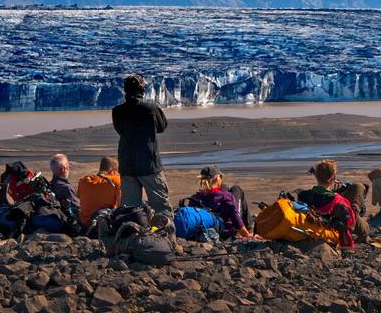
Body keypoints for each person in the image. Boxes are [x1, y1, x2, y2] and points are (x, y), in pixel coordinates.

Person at [112, 74, 172, 217]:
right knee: (160, 206)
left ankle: (133, 234)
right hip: (149, 164)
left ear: (125, 91)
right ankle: (164, 234)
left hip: (127, 164)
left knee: (131, 209)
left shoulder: (117, 111)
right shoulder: (151, 108)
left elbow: (119, 130)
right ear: (142, 90)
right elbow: (162, 126)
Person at [298, 159, 362, 247]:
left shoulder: (303, 195)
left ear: (316, 176)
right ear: (333, 177)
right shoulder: (338, 199)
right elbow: (351, 223)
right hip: (332, 232)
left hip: (312, 227)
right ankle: (365, 233)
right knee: (358, 187)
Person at [183, 165, 255, 239]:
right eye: (221, 176)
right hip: (225, 232)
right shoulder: (226, 196)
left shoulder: (195, 197)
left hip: (205, 231)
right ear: (217, 178)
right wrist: (247, 235)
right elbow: (236, 218)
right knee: (236, 189)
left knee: (225, 187)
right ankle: (249, 226)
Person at [77, 156, 122, 227]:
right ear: (112, 170)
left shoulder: (83, 180)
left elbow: (79, 198)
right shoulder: (116, 180)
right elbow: (121, 205)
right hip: (103, 224)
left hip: (84, 224)